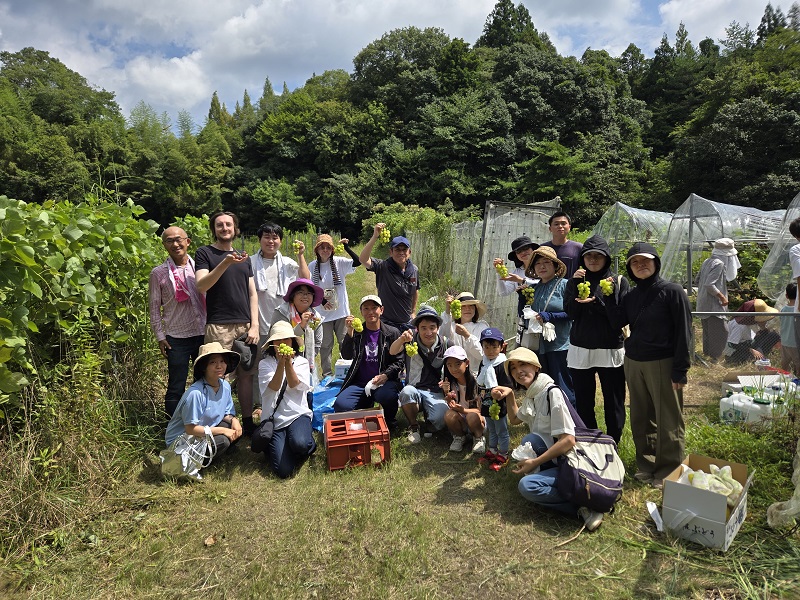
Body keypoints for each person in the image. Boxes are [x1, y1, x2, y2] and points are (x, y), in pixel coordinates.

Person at [604, 242, 692, 489]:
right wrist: (609, 297)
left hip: (662, 362)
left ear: (656, 263)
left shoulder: (672, 291)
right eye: (634, 262)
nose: (640, 265)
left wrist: (680, 369)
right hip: (634, 362)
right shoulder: (631, 296)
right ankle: (647, 464)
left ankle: (668, 470)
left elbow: (684, 332)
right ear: (630, 268)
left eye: (645, 260)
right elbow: (617, 322)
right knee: (641, 416)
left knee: (668, 419)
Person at [493, 347, 603, 532]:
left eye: (523, 364)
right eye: (513, 368)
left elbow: (568, 440)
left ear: (536, 367)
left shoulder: (552, 393)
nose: (518, 371)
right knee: (530, 441)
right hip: (559, 458)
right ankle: (570, 490)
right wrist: (510, 395)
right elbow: (515, 419)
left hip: (574, 462)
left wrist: (535, 462)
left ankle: (584, 505)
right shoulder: (533, 394)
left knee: (527, 486)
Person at [195, 211, 260, 434]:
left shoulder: (244, 257)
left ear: (235, 229)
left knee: (246, 374)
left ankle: (247, 421)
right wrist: (225, 263)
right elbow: (202, 285)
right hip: (218, 326)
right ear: (214, 229)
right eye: (219, 225)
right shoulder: (205, 253)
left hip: (244, 325)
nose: (224, 228)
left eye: (228, 225)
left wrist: (255, 325)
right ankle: (217, 423)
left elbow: (252, 293)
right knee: (217, 375)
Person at [563, 235, 628, 444]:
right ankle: (590, 441)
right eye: (588, 256)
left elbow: (619, 319)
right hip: (581, 348)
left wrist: (597, 302)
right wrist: (575, 285)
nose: (592, 260)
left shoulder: (617, 282)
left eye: (598, 256)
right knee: (584, 400)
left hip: (610, 349)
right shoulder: (575, 281)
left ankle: (614, 441)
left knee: (614, 400)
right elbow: (570, 313)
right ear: (582, 258)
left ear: (606, 258)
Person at [149, 226, 207, 417]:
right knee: (176, 385)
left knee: (204, 381)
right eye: (169, 241)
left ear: (187, 241)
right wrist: (160, 336)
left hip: (203, 333)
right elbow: (154, 307)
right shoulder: (158, 273)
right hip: (177, 337)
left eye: (178, 239)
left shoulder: (200, 268)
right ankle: (173, 426)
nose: (175, 244)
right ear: (164, 245)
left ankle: (202, 421)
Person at [164, 342, 243, 466]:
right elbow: (190, 429)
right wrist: (222, 430)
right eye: (213, 362)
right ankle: (191, 463)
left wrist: (234, 420)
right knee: (223, 440)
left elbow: (226, 414)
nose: (219, 366)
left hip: (204, 431)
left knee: (234, 429)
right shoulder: (195, 393)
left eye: (222, 361)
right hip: (184, 440)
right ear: (204, 367)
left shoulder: (225, 386)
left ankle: (214, 452)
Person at [334, 295, 404, 431]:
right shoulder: (358, 332)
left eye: (374, 308)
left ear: (381, 310)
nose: (370, 312)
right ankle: (365, 405)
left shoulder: (392, 333)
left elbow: (399, 361)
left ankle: (389, 420)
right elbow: (346, 355)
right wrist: (349, 332)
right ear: (361, 312)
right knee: (341, 405)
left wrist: (385, 375)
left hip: (384, 382)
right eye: (366, 308)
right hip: (360, 383)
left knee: (386, 396)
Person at [257, 321, 316, 479]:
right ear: (272, 344)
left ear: (292, 342)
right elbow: (274, 386)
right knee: (283, 471)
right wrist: (280, 364)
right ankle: (280, 447)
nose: (282, 343)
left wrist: (288, 362)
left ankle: (305, 443)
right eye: (278, 340)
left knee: (301, 443)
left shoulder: (301, 362)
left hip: (297, 415)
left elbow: (294, 383)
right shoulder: (265, 364)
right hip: (275, 420)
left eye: (286, 339)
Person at [390, 306, 450, 443]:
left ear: (438, 328)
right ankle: (413, 425)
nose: (428, 332)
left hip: (436, 391)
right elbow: (392, 351)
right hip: (415, 389)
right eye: (423, 328)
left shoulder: (446, 344)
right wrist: (401, 340)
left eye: (432, 327)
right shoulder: (410, 340)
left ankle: (430, 421)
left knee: (441, 421)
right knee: (406, 392)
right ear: (417, 328)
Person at [527, 246, 576, 407]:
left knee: (564, 386)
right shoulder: (533, 289)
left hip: (561, 344)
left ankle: (572, 418)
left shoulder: (565, 285)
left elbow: (573, 312)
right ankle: (549, 418)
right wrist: (522, 299)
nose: (542, 266)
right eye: (538, 263)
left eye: (546, 262)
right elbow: (525, 313)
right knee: (544, 386)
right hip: (539, 345)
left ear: (555, 266)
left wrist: (551, 316)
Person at [250, 222, 310, 352]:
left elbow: (306, 280)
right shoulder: (251, 262)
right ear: (259, 239)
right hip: (260, 325)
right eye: (267, 237)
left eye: (275, 238)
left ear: (281, 241)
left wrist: (300, 255)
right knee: (262, 361)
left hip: (286, 325)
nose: (271, 241)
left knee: (287, 358)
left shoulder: (288, 263)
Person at [308, 234, 360, 378]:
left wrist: (347, 248)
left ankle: (348, 372)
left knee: (345, 342)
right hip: (322, 313)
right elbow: (310, 288)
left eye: (328, 247)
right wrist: (322, 301)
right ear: (317, 250)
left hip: (341, 312)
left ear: (332, 249)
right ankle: (327, 375)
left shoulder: (339, 262)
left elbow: (358, 262)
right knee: (325, 345)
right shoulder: (312, 266)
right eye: (322, 247)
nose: (325, 250)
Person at [359, 223, 419, 332]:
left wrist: (413, 312)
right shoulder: (383, 267)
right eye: (397, 250)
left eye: (404, 249)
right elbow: (363, 259)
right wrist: (375, 236)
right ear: (391, 252)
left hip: (407, 323)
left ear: (409, 252)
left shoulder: (414, 270)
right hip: (387, 324)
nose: (401, 252)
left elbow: (415, 291)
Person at [270, 278, 325, 386]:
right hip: (280, 360)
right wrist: (301, 326)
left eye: (309, 293)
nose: (305, 296)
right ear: (293, 295)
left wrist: (305, 361)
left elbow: (318, 343)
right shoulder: (282, 312)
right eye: (301, 292)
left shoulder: (315, 317)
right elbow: (278, 338)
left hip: (306, 363)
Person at [475, 327, 514, 469]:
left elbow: (508, 386)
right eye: (486, 347)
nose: (490, 351)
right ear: (482, 347)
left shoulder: (503, 364)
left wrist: (500, 393)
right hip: (486, 402)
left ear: (501, 347)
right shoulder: (484, 362)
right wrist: (478, 397)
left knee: (501, 430)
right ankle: (492, 450)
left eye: (494, 347)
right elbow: (480, 383)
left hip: (498, 404)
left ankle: (503, 454)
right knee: (491, 428)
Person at [696, 238, 739, 360]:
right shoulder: (719, 264)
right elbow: (709, 285)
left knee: (708, 332)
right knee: (721, 332)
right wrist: (722, 297)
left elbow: (698, 280)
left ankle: (707, 356)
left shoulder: (707, 261)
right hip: (714, 305)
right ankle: (716, 359)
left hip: (703, 303)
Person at [494, 235, 540, 351]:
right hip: (524, 316)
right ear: (516, 255)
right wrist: (499, 272)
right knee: (525, 347)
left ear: (533, 250)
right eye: (519, 251)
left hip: (541, 314)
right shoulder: (517, 272)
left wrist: (521, 280)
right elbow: (503, 292)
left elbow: (544, 284)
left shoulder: (541, 267)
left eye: (526, 249)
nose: (523, 253)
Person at [440, 346, 484, 453]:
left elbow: (480, 410)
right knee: (448, 414)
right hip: (462, 419)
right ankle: (459, 437)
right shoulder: (450, 383)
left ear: (467, 363)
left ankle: (479, 437)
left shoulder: (477, 382)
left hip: (476, 419)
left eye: (458, 364)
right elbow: (451, 403)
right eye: (449, 365)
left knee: (471, 416)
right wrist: (447, 395)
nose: (454, 369)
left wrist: (463, 410)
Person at [441, 291, 490, 373]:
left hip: (475, 374)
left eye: (471, 306)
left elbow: (481, 355)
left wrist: (467, 336)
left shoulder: (482, 327)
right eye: (463, 306)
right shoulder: (451, 326)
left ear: (475, 309)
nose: (468, 309)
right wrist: (447, 311)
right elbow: (441, 334)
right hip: (454, 374)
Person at [724, 299, 780, 365]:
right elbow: (733, 344)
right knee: (754, 356)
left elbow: (758, 333)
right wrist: (751, 350)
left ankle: (760, 356)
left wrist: (763, 327)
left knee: (773, 335)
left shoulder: (751, 321)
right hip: (736, 352)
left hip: (749, 344)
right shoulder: (740, 325)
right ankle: (758, 359)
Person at [541, 212, 583, 278]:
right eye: (556, 224)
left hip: (571, 284)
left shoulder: (578, 248)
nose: (560, 226)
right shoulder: (542, 248)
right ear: (550, 229)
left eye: (563, 223)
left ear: (569, 227)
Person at [780, 284, 800, 374]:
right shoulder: (797, 310)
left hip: (785, 341)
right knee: (798, 364)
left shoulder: (783, 309)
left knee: (784, 363)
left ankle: (784, 378)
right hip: (795, 342)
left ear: (786, 296)